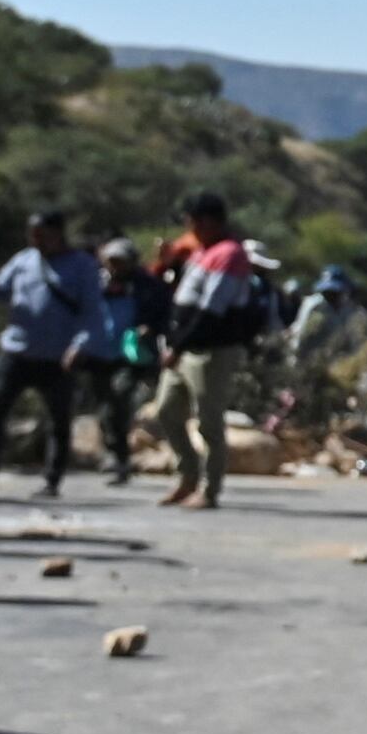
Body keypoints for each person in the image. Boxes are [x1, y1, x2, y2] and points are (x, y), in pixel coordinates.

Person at [0, 209, 99, 503]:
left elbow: (92, 312)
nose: (35, 239)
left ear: (58, 233)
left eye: (41, 234)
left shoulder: (83, 266)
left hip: (57, 357)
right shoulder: (23, 260)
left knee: (58, 420)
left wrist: (80, 345)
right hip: (16, 351)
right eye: (31, 233)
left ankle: (52, 479)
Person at [145, 193, 272, 508]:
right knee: (166, 410)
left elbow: (210, 310)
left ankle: (209, 487)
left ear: (208, 222)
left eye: (191, 221)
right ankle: (187, 475)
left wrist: (179, 345)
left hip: (210, 348)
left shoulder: (229, 254)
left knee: (208, 420)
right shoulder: (202, 252)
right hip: (184, 346)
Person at [85, 236, 157, 483]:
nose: (115, 267)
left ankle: (120, 456)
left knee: (120, 395)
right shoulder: (96, 283)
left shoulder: (146, 285)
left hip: (129, 354)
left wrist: (149, 327)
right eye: (111, 262)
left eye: (120, 262)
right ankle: (114, 454)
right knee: (104, 406)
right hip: (99, 351)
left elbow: (161, 311)